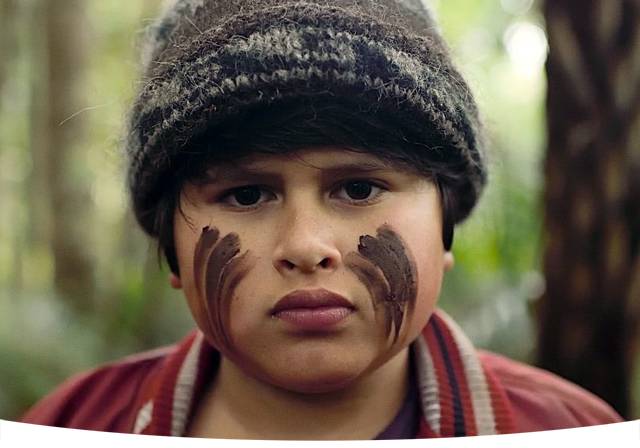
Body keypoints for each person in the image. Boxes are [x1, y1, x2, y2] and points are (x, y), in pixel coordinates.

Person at [21, 0, 622, 439]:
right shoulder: (71, 425)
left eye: (358, 188)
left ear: (446, 224)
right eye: (246, 196)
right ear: (171, 246)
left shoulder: (569, 429)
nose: (306, 246)